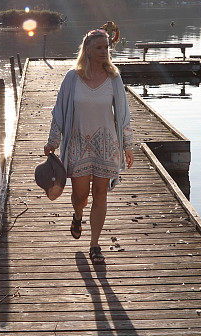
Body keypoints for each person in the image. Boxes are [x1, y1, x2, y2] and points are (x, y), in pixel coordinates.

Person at [44, 29, 135, 264]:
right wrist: (53, 140)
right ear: (87, 50)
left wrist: (127, 145)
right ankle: (77, 215)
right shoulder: (72, 78)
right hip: (78, 144)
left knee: (101, 194)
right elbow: (59, 112)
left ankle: (95, 244)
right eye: (99, 48)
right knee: (80, 195)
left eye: (107, 47)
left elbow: (123, 114)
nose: (105, 52)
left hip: (106, 145)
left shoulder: (114, 78)